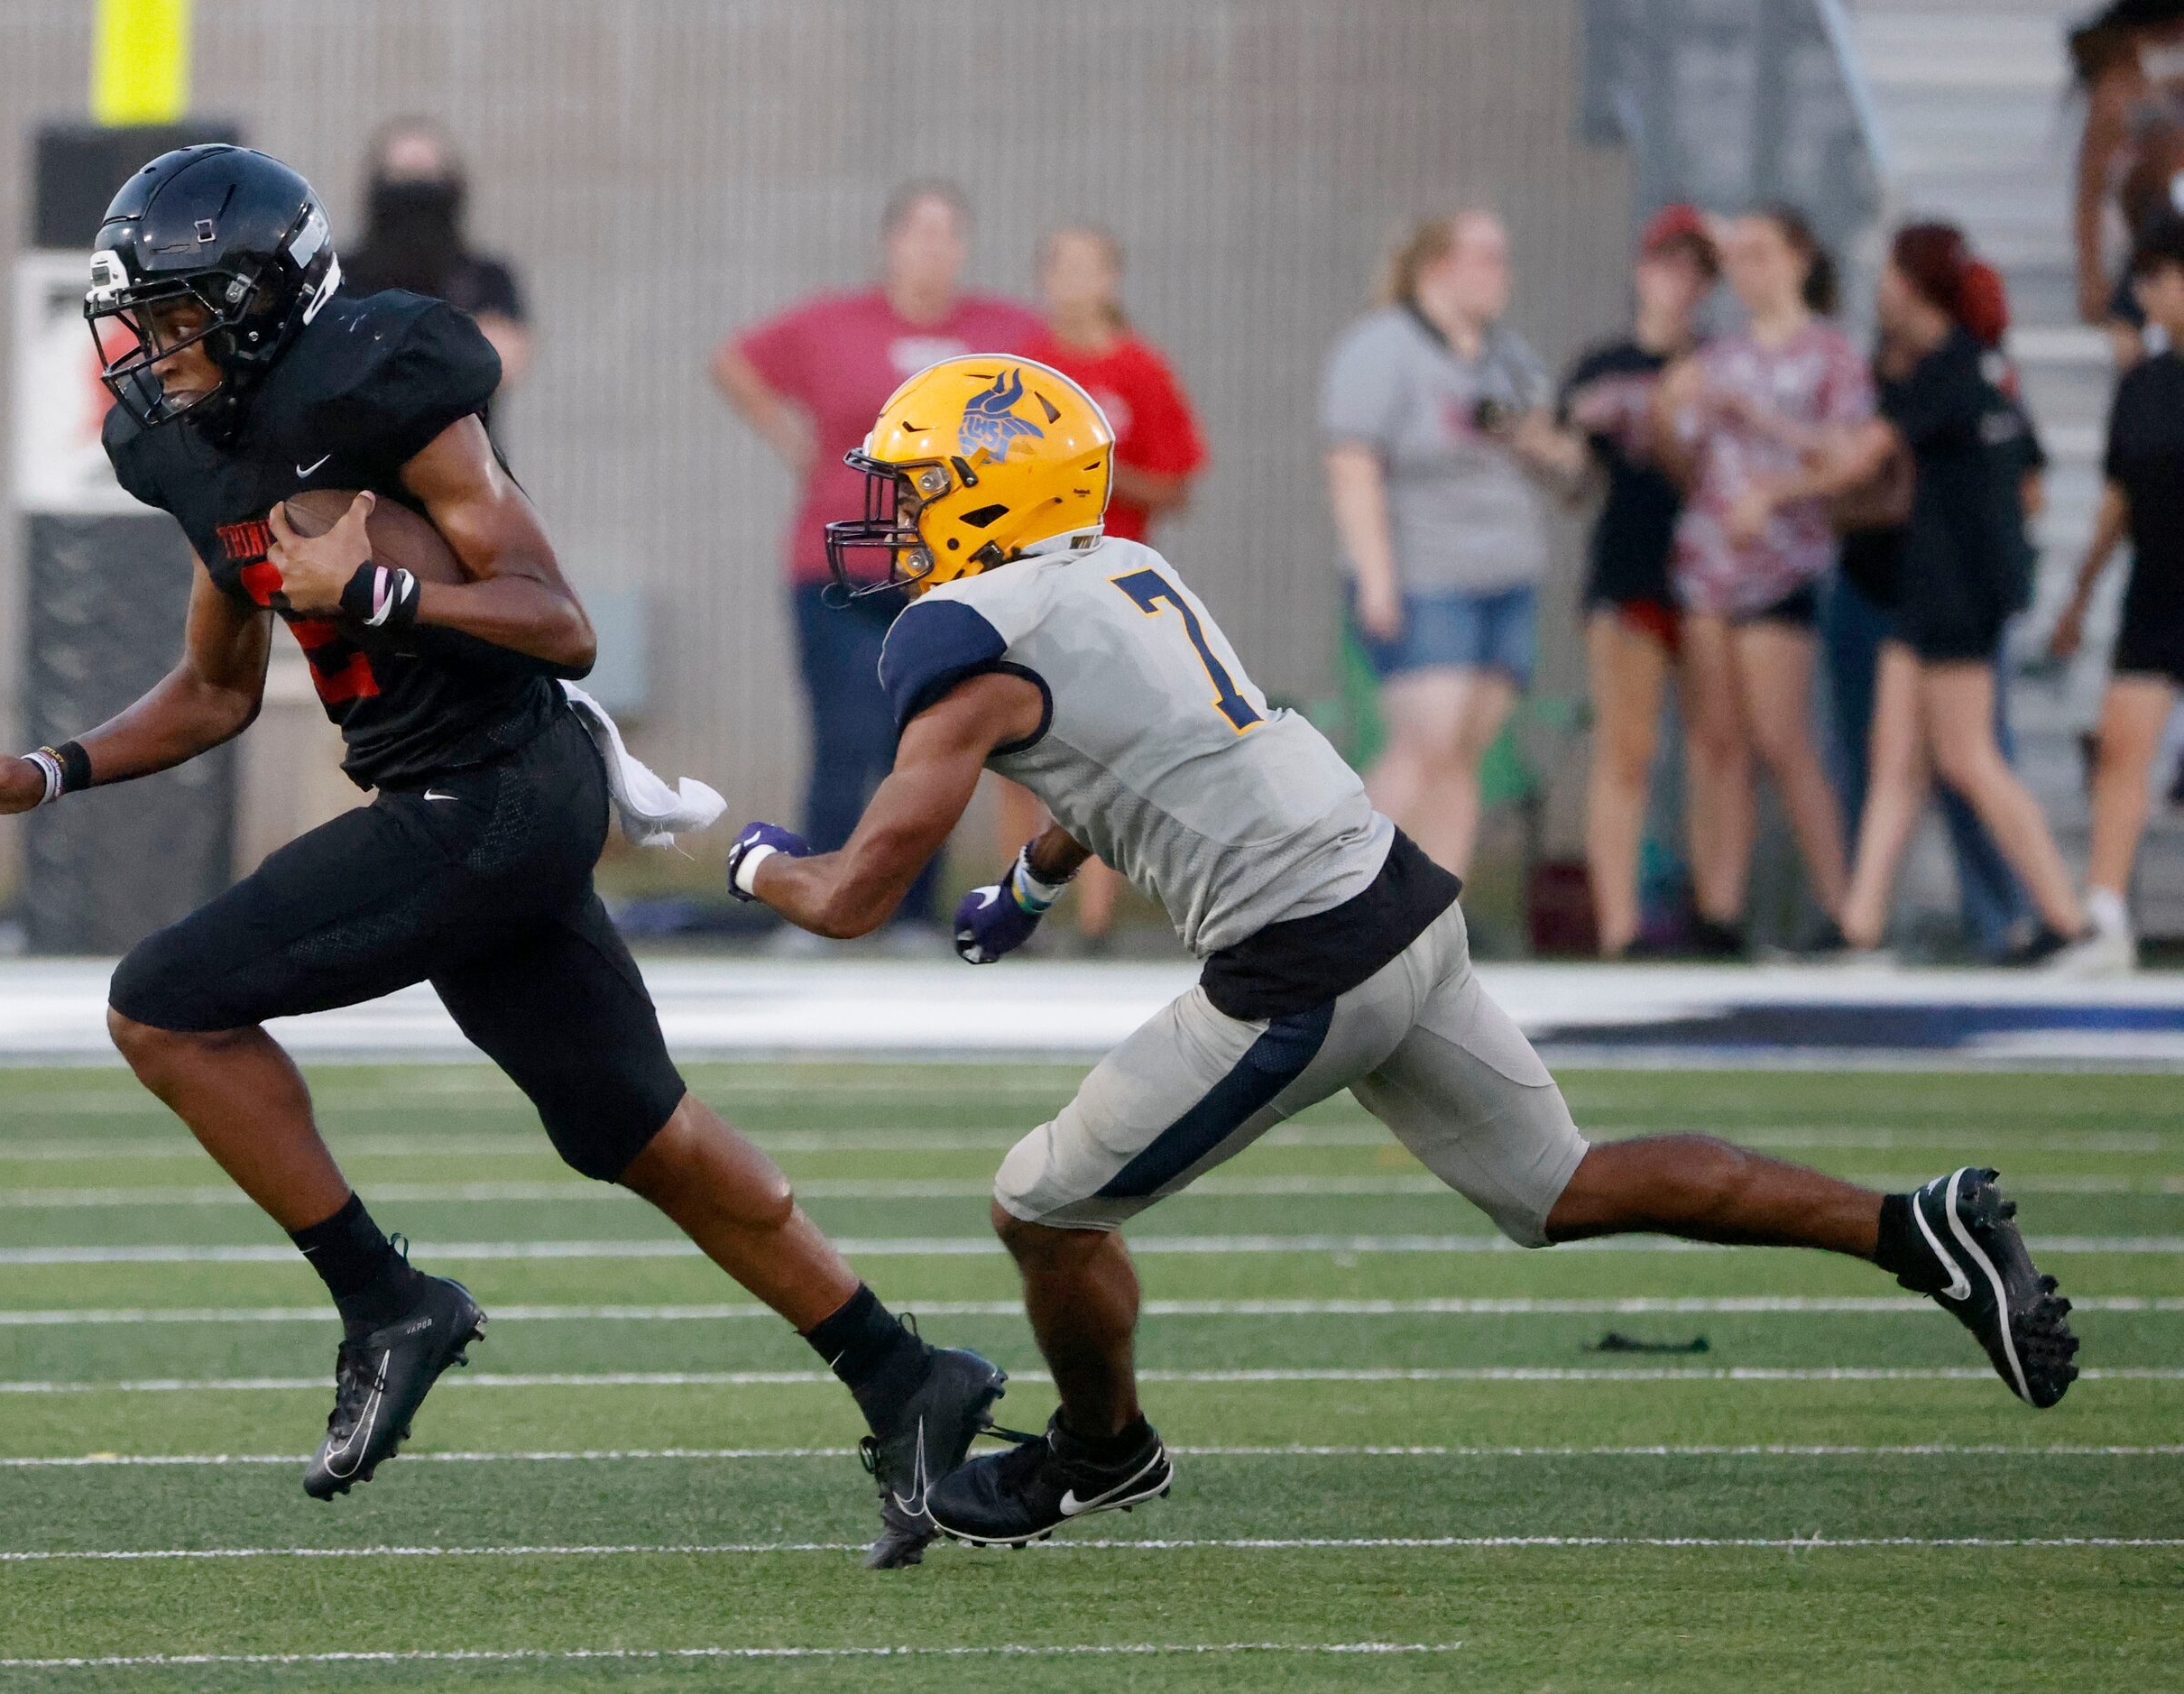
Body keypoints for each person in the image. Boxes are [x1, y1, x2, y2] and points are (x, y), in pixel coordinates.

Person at [727, 355, 2077, 1546]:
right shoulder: (1122, 568)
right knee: (1561, 1184)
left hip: (1301, 962)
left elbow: (850, 895)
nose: (886, 520)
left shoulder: (964, 638)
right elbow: (1137, 746)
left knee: (1039, 1206)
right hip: (1397, 893)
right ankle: (1918, 1229)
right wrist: (1029, 877)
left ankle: (1099, 1453)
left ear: (990, 492)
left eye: (911, 488)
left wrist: (734, 854)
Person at [0, 146, 1003, 1569]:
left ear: (256, 304)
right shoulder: (192, 446)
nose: (145, 346)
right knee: (638, 1133)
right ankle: (903, 1374)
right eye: (141, 316)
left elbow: (558, 618)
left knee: (162, 1000)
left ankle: (385, 1298)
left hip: (492, 785)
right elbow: (217, 689)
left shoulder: (377, 386)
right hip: (468, 796)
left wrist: (372, 587)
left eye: (172, 315)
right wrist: (47, 771)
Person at [714, 183, 1040, 939]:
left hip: (950, 571)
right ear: (889, 243)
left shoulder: (1003, 331)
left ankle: (912, 912)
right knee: (845, 730)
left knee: (928, 742)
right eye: (918, 233)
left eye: (948, 234)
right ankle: (810, 905)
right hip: (840, 564)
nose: (932, 249)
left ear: (964, 248)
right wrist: (793, 441)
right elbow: (736, 362)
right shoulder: (834, 322)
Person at [1831, 225, 2095, 964]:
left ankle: (2069, 920)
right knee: (1895, 758)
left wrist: (1778, 485)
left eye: (1890, 273)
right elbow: (2031, 481)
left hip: (1953, 589)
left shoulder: (1948, 367)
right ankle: (1859, 924)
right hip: (1934, 582)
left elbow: (1866, 460)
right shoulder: (1987, 368)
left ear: (1911, 284)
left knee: (1968, 757)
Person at [1322, 210, 1562, 877]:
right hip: (1426, 576)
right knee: (1424, 743)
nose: (1501, 274)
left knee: (1463, 756)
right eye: (1485, 257)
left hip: (1505, 574)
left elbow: (1559, 457)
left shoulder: (1506, 354)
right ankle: (1324, 900)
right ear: (1437, 267)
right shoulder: (1383, 347)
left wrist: (1543, 441)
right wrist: (1376, 579)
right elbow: (1353, 466)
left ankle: (1432, 916)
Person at [1652, 207, 1863, 954]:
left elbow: (1847, 458)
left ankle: (1847, 910)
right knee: (1718, 741)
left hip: (1781, 567)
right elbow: (1686, 459)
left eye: (1762, 253)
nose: (1749, 270)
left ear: (1800, 259)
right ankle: (1721, 907)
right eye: (1738, 257)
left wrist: (1773, 490)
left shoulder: (1830, 354)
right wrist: (1667, 409)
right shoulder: (1720, 356)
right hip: (1711, 565)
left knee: (1783, 738)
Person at [998, 226, 1210, 949]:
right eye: (1063, 267)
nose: (1077, 281)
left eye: (1091, 267)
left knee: (1101, 747)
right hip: (1025, 575)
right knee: (1014, 742)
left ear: (1113, 278)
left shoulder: (1141, 370)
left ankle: (1095, 916)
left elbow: (1177, 479)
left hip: (1109, 579)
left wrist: (1096, 475)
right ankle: (1013, 907)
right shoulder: (1021, 368)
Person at [1544, 206, 1720, 955]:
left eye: (1693, 270)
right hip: (1630, 570)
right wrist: (1559, 443)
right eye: (1666, 266)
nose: (1677, 284)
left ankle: (1719, 908)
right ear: (1642, 272)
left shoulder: (1718, 364)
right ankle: (1618, 924)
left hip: (1713, 579)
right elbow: (1573, 480)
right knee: (1628, 750)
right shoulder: (1602, 366)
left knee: (1717, 745)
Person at [2050, 215, 2184, 973]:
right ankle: (2104, 917)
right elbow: (2118, 501)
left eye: (2159, 278)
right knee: (2122, 750)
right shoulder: (2146, 385)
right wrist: (2078, 597)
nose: (2148, 295)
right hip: (2159, 588)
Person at [343, 117, 532, 443]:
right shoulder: (341, 272)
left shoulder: (485, 275)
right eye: (403, 177)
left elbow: (506, 356)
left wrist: (383, 346)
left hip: (467, 472)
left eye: (428, 176)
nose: (416, 192)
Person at [2071, 0, 2184, 367]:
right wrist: (2091, 277)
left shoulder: (2151, 85)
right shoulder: (2115, 96)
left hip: (2154, 241)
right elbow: (2089, 196)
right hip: (2131, 252)